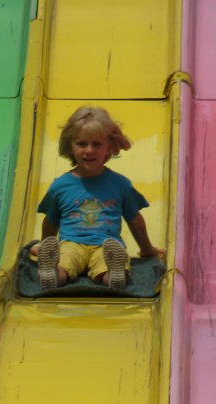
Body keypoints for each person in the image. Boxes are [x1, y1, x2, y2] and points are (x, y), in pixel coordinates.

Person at [32, 106, 165, 290]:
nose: (89, 150)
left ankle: (113, 276)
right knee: (63, 262)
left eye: (96, 144)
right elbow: (51, 220)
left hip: (107, 245)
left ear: (109, 146)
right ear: (70, 146)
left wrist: (146, 247)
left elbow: (134, 217)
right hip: (71, 243)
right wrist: (45, 244)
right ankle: (52, 273)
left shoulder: (120, 185)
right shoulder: (60, 186)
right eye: (82, 144)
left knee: (108, 264)